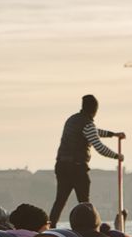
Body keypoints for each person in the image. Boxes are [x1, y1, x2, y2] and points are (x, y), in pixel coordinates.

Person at [49, 95, 125, 226]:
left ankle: (50, 228)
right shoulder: (87, 124)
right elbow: (99, 147)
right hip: (77, 167)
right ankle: (89, 229)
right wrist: (117, 156)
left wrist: (113, 134)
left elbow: (94, 131)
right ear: (94, 110)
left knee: (60, 201)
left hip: (61, 165)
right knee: (84, 203)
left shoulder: (72, 120)